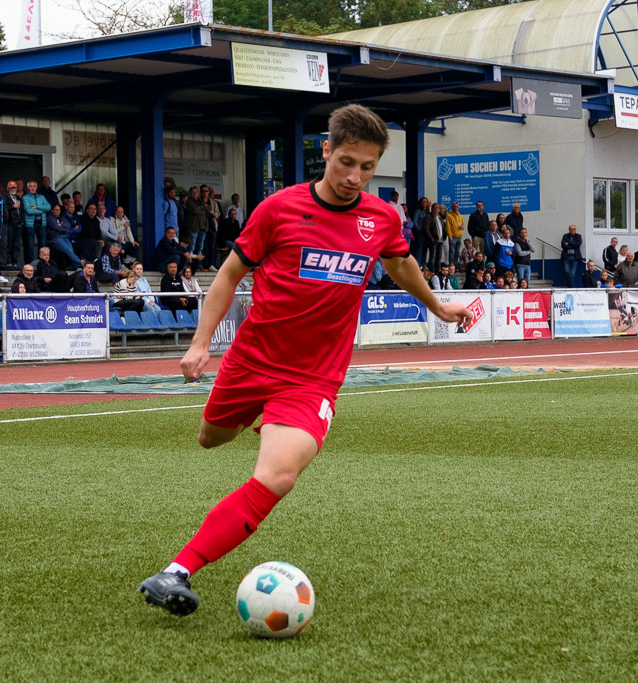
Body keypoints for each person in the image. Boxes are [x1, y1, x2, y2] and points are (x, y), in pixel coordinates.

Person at [137, 104, 472, 617]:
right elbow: (227, 276)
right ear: (326, 152)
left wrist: (437, 305)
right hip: (251, 360)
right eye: (346, 162)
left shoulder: (381, 217)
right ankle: (259, 418)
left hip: (313, 378)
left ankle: (177, 570)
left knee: (277, 476)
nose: (355, 177)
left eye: (367, 166)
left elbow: (401, 263)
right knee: (211, 438)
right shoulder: (278, 209)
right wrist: (201, 343)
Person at [22, 180, 51, 259]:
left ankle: (41, 263)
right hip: (30, 224)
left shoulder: (42, 197)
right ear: (28, 188)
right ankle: (30, 264)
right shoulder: (25, 197)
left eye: (34, 186)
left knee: (42, 245)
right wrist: (42, 210)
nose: (32, 188)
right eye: (30, 186)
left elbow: (48, 207)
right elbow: (29, 210)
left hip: (41, 224)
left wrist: (37, 207)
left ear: (37, 187)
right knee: (30, 245)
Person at [3, 180, 25, 270]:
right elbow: (3, 209)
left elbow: (22, 210)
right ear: (7, 188)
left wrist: (22, 220)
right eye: (11, 187)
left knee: (16, 245)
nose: (13, 189)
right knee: (9, 244)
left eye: (14, 187)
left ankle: (14, 262)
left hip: (19, 224)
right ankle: (8, 262)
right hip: (10, 224)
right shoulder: (4, 197)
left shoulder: (18, 197)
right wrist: (12, 206)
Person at [446, 201, 464, 266]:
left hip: (459, 236)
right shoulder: (449, 216)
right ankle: (451, 264)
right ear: (452, 207)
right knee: (452, 252)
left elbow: (463, 225)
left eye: (457, 206)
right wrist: (450, 237)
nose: (456, 208)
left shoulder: (460, 215)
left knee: (457, 252)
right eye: (455, 206)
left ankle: (455, 265)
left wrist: (462, 227)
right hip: (453, 237)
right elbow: (448, 228)